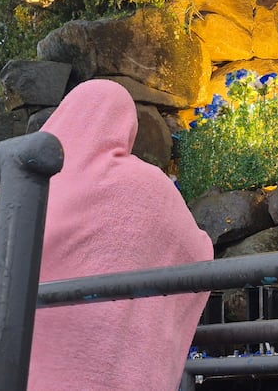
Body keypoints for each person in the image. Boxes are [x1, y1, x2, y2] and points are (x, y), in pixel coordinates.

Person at [28, 79, 214, 390]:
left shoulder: (35, 190)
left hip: (32, 361)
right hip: (111, 363)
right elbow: (197, 253)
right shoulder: (146, 184)